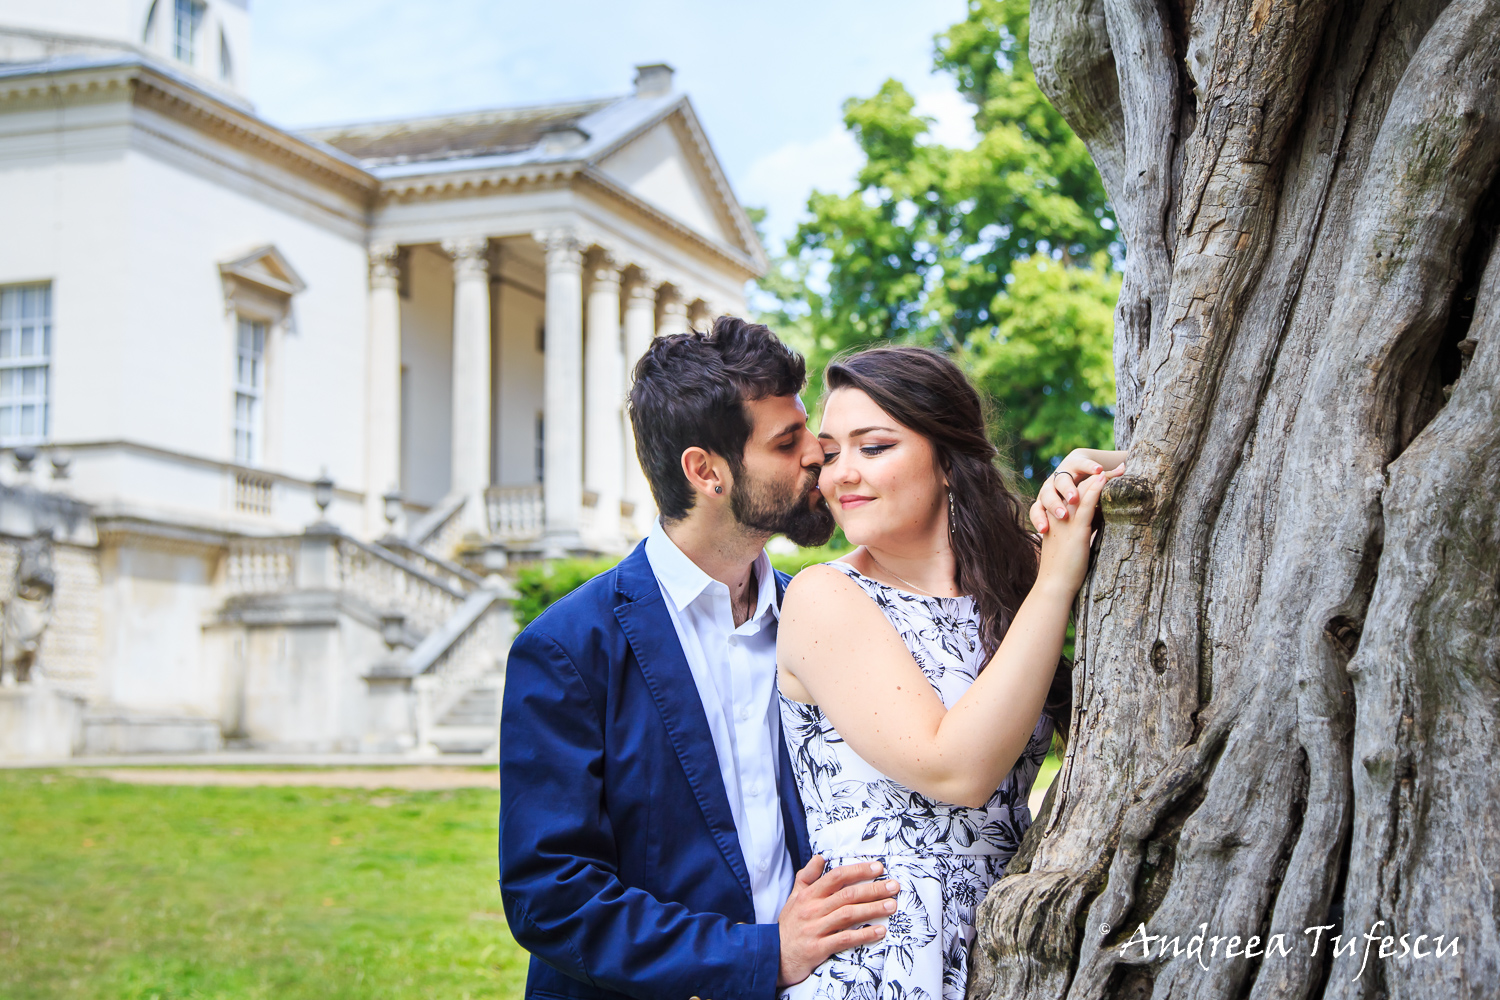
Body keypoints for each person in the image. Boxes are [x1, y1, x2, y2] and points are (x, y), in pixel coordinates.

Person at [498, 317, 904, 1000]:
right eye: (788, 441)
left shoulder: (823, 617)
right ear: (706, 471)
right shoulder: (566, 649)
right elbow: (552, 895)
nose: (819, 456)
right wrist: (761, 955)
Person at [775, 346, 1117, 1000]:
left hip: (1018, 943)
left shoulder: (1010, 582)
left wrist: (1088, 467)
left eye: (873, 447)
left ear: (948, 462)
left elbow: (1189, 463)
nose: (841, 473)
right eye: (830, 452)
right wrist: (1058, 577)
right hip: (886, 956)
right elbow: (954, 769)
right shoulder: (825, 597)